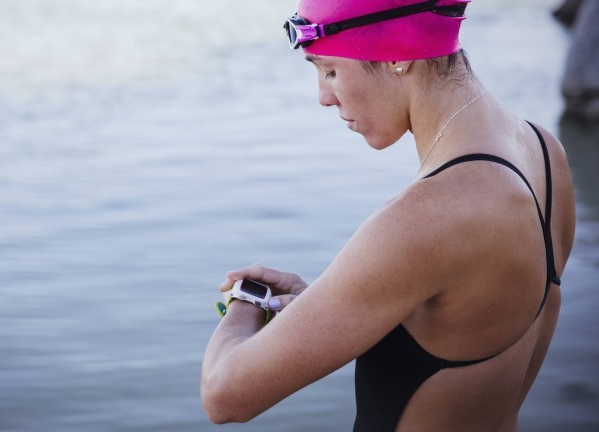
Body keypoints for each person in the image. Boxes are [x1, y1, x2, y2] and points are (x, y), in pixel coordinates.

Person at [200, 0, 576, 430]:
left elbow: (223, 394)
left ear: (397, 56)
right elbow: (465, 323)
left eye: (329, 70)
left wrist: (245, 300)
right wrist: (325, 306)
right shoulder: (544, 152)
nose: (323, 97)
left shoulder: (425, 218)